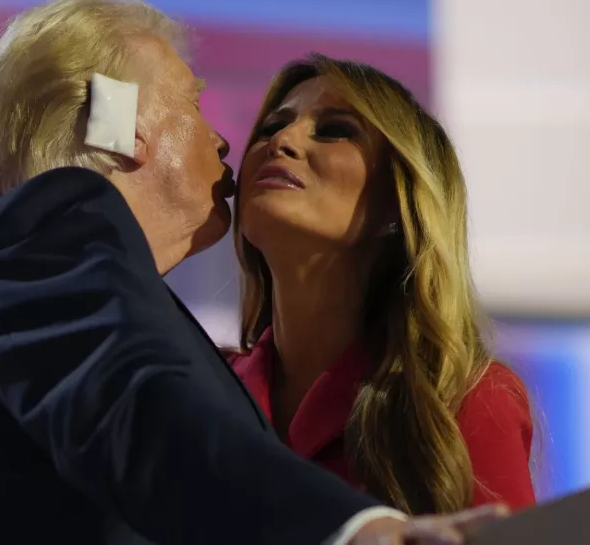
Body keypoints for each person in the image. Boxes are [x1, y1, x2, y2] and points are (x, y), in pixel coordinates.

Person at [0, 0, 510, 545]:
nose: (229, 141)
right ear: (124, 123)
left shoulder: (39, 279)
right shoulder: (57, 214)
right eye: (193, 104)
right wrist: (351, 531)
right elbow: (132, 400)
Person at [225, 54, 536, 514]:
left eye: (334, 129)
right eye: (271, 127)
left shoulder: (463, 400)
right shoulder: (203, 387)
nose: (282, 140)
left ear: (398, 203)